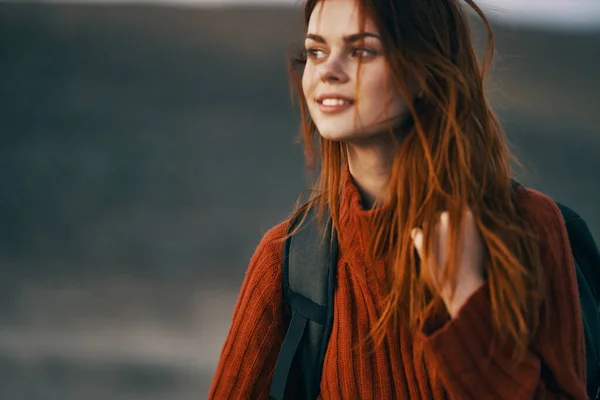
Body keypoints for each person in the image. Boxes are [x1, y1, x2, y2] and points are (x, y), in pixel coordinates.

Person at [208, 0, 588, 398]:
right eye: (316, 51)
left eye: (361, 51)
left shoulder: (526, 227)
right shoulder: (286, 262)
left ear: (424, 71)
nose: (327, 72)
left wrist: (465, 306)